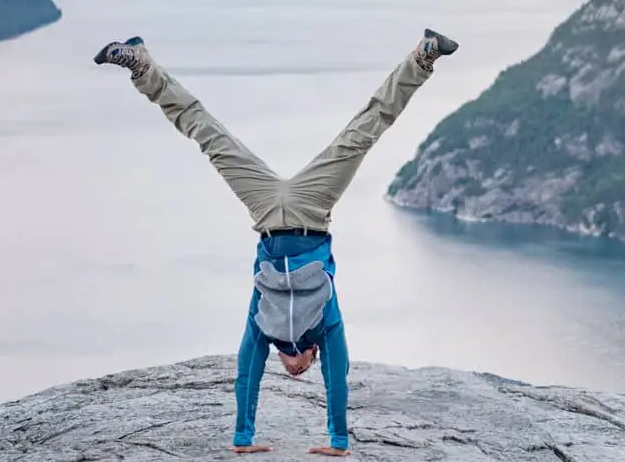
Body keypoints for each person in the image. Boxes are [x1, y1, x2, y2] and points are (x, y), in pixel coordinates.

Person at [93, 28, 459, 456]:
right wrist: (339, 442)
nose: (294, 371)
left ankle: (141, 65)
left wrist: (242, 438)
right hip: (311, 209)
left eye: (289, 371)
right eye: (301, 370)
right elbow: (337, 378)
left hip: (266, 211)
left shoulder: (264, 323)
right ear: (310, 360)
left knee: (209, 135)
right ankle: (422, 56)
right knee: (361, 134)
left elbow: (247, 371)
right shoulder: (325, 323)